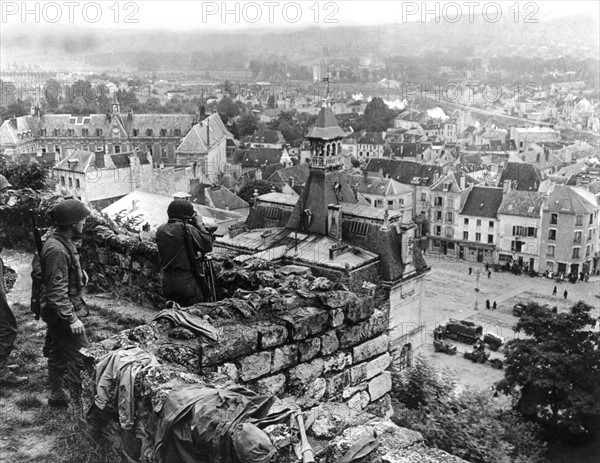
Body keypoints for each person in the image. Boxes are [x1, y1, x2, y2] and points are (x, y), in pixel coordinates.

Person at [40, 198, 91, 409]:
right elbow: (56, 291)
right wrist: (72, 319)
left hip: (57, 311)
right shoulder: (56, 249)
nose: (84, 224)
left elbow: (62, 271)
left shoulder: (62, 241)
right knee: (81, 356)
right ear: (72, 223)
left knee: (58, 352)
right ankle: (80, 406)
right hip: (62, 311)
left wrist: (78, 272)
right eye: (82, 220)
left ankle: (58, 396)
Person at [156, 200, 214, 307]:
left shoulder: (160, 230)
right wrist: (200, 226)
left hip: (167, 281)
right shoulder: (187, 229)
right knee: (193, 315)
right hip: (185, 281)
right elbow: (207, 246)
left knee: (175, 314)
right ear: (188, 216)